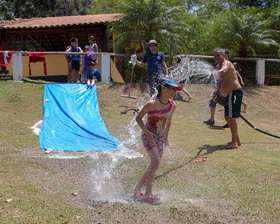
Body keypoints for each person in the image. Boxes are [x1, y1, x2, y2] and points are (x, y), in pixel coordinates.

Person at [134, 79, 182, 203]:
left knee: (154, 164)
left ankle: (137, 187)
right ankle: (148, 192)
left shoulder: (173, 105)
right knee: (156, 162)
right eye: (172, 88)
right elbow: (138, 118)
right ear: (163, 88)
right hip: (149, 136)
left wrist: (166, 137)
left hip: (160, 137)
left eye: (175, 89)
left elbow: (169, 122)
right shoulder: (152, 104)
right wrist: (147, 132)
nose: (174, 91)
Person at [214, 48, 243, 149]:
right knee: (228, 117)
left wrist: (216, 72)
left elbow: (224, 70)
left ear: (223, 55)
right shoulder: (218, 66)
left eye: (218, 55)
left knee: (231, 117)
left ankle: (234, 142)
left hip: (234, 93)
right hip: (228, 95)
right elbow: (220, 81)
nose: (216, 57)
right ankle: (237, 140)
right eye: (215, 56)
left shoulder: (227, 64)